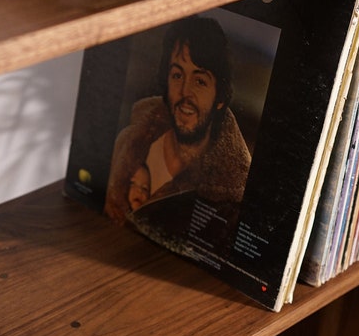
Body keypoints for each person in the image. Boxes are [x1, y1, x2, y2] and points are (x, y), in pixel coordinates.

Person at [104, 15, 252, 223]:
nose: (185, 92)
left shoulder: (231, 194)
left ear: (220, 98)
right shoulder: (128, 143)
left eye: (200, 81)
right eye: (177, 75)